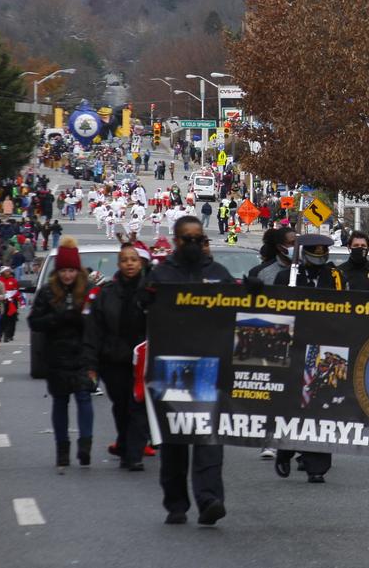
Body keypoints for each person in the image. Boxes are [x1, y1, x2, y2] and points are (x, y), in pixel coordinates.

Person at [142, 216, 233, 525]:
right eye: (187, 239)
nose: (194, 244)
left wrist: (251, 290)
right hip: (173, 369)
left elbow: (239, 309)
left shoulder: (219, 274)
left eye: (199, 238)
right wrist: (145, 294)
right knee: (176, 441)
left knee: (209, 439)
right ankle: (176, 503)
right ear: (177, 241)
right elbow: (142, 309)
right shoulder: (162, 274)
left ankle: (209, 500)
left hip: (211, 367)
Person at [273, 234, 344, 483]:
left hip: (324, 348)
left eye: (322, 252)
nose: (319, 256)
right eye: (314, 252)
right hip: (294, 347)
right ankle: (286, 449)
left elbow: (350, 307)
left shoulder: (335, 278)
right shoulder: (287, 277)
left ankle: (317, 465)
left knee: (320, 405)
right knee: (292, 404)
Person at [28, 237, 95, 470]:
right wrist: (56, 319)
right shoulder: (47, 292)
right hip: (56, 355)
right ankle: (62, 448)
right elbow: (34, 322)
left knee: (84, 398)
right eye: (64, 271)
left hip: (83, 355)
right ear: (58, 272)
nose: (68, 275)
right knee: (60, 401)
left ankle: (85, 445)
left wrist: (81, 319)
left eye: (72, 270)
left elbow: (98, 322)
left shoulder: (87, 291)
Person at [84, 243, 150, 471]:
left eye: (134, 259)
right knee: (121, 406)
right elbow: (94, 331)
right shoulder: (106, 294)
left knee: (138, 407)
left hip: (143, 362)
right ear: (119, 264)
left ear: (140, 263)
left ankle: (134, 454)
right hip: (113, 361)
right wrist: (91, 364)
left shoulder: (151, 292)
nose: (129, 263)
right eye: (125, 260)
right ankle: (124, 443)